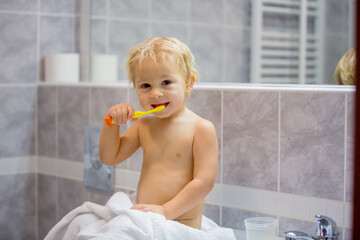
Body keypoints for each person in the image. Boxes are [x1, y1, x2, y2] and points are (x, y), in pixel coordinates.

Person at [99, 37, 218, 229]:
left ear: (188, 83)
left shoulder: (200, 128)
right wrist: (111, 123)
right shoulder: (143, 125)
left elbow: (204, 182)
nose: (155, 93)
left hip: (182, 226)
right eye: (146, 86)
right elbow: (109, 157)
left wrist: (166, 211)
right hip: (146, 221)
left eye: (166, 82)